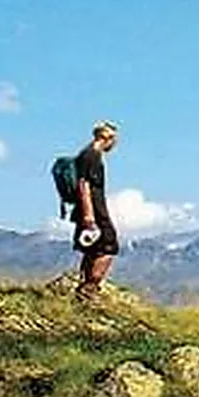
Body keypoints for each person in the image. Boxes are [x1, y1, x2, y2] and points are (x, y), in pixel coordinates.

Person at [72, 121, 120, 302]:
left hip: (91, 209)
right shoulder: (91, 155)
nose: (114, 144)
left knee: (93, 249)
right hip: (94, 211)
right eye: (114, 140)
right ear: (106, 137)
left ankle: (84, 291)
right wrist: (89, 215)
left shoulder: (91, 155)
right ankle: (89, 289)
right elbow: (83, 185)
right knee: (109, 246)